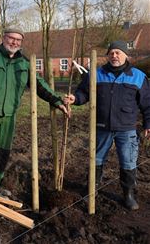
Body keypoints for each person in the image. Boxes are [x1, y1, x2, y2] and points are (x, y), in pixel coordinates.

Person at [0, 28, 68, 197]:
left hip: (10, 113)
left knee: (3, 151)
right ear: (3, 37)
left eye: (18, 40)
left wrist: (57, 101)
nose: (14, 42)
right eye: (11, 38)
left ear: (21, 43)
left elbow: (39, 84)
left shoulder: (24, 62)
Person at [64, 40, 150, 210]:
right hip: (101, 127)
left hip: (126, 129)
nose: (114, 55)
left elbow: (147, 103)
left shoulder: (138, 76)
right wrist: (75, 99)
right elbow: (83, 93)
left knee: (128, 162)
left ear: (126, 55)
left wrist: (148, 123)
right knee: (95, 160)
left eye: (118, 52)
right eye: (111, 53)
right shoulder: (96, 74)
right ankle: (92, 191)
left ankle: (128, 195)